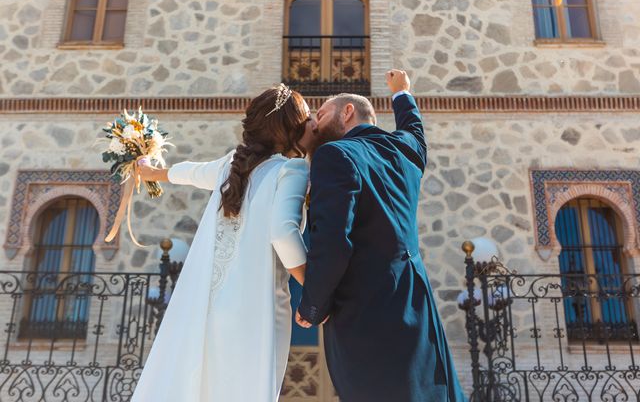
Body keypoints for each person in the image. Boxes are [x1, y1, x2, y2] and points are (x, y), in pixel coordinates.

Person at [132, 84, 318, 402]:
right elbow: (283, 233)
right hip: (255, 308)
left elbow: (189, 173)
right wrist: (316, 292)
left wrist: (151, 173)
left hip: (207, 306)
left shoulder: (230, 167)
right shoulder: (292, 169)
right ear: (292, 127)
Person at [295, 70, 466, 401]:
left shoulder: (335, 155)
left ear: (348, 112)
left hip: (366, 314)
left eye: (322, 113)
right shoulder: (407, 151)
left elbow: (333, 242)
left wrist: (313, 304)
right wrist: (402, 93)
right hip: (416, 305)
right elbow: (414, 130)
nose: (315, 125)